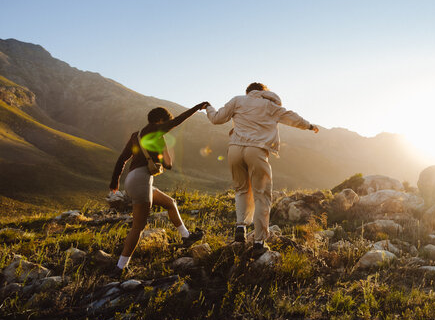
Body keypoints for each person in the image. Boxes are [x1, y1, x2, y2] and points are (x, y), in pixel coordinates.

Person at [204, 83, 318, 256]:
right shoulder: (270, 105)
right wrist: (309, 126)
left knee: (241, 190)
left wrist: (208, 107)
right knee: (261, 195)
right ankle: (259, 242)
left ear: (248, 92)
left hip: (234, 149)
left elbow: (216, 119)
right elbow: (291, 117)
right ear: (264, 92)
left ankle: (240, 228)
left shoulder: (237, 101)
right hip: (256, 150)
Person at [109, 103, 208, 274]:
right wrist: (198, 106)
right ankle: (120, 268)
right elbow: (179, 120)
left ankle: (186, 236)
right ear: (160, 121)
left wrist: (114, 182)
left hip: (133, 180)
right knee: (138, 227)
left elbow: (122, 159)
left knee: (170, 203)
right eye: (166, 123)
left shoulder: (136, 136)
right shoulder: (155, 130)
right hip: (141, 180)